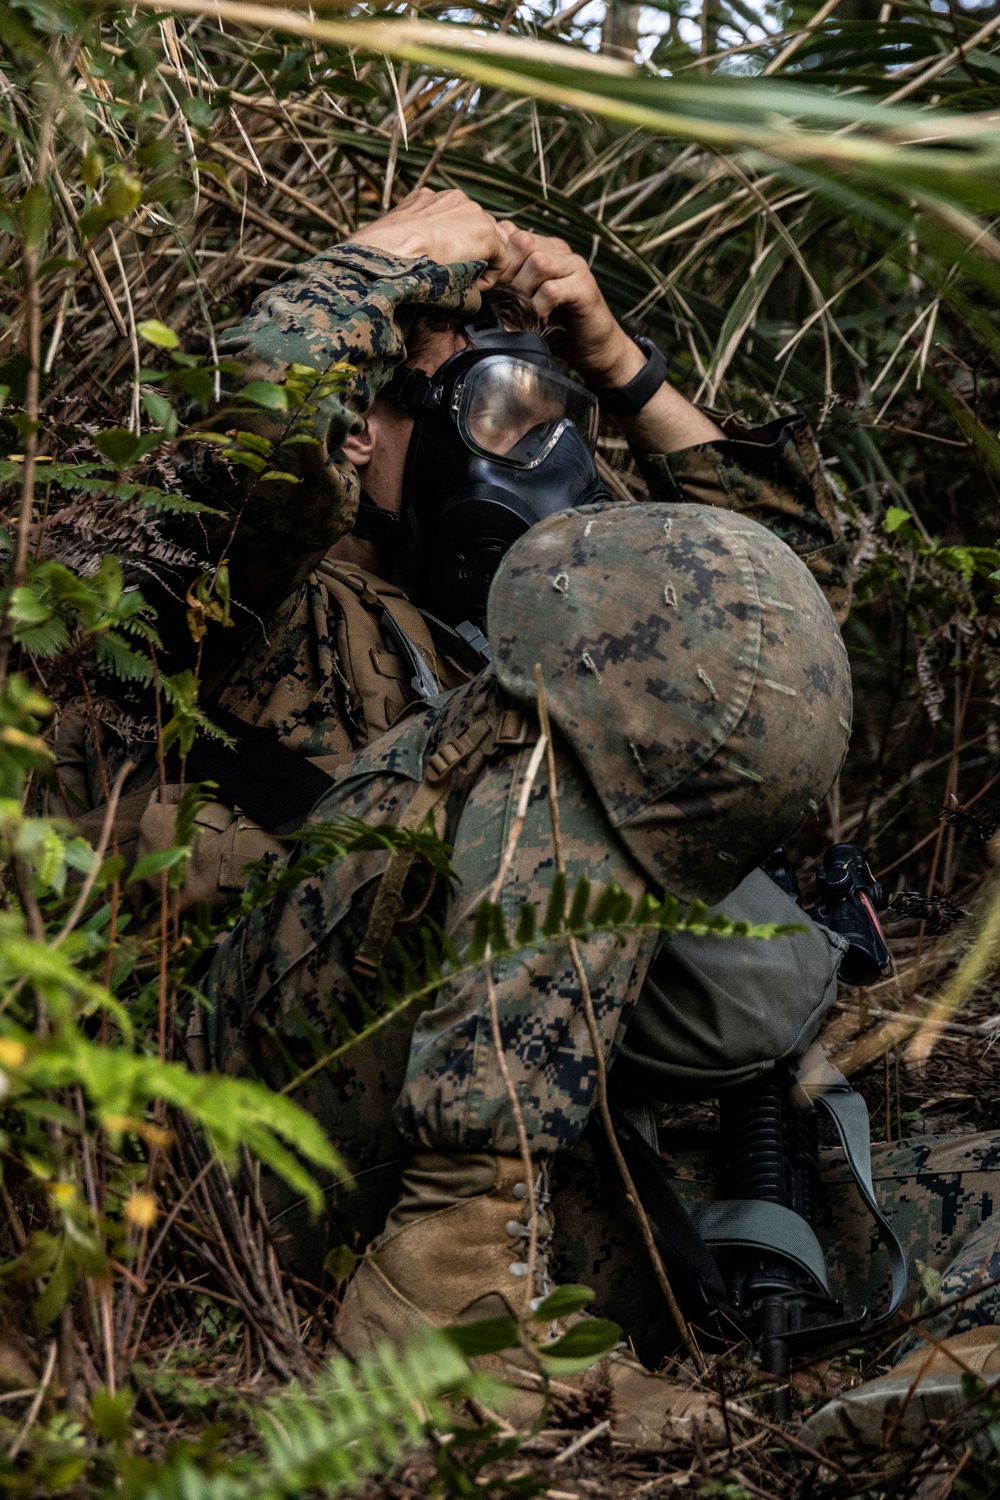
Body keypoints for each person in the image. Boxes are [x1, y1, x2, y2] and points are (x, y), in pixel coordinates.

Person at [204, 496, 854, 1443]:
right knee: (611, 690)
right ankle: (443, 1307)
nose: (512, 442)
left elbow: (798, 588)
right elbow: (273, 416)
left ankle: (494, 1266)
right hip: (258, 1080)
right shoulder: (289, 593)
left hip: (509, 1125)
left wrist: (628, 376)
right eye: (467, 382)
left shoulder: (506, 607)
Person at [48, 187, 850, 930]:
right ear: (356, 425)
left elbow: (784, 625)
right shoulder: (244, 587)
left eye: (556, 421)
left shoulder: (528, 617)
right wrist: (392, 254)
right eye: (501, 410)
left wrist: (621, 368)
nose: (549, 463)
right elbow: (263, 423)